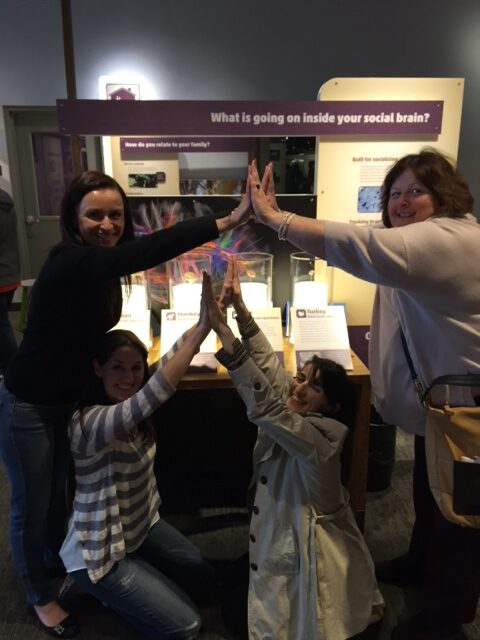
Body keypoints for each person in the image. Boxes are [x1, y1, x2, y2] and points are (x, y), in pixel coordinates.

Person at [0, 170, 250, 637]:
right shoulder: (69, 262)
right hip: (29, 403)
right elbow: (148, 250)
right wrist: (226, 220)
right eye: (94, 214)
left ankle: (63, 560)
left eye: (116, 215)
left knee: (58, 495)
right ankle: (39, 594)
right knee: (30, 505)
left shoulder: (103, 268)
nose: (107, 224)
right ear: (73, 218)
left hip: (71, 397)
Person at [248, 150, 480, 640]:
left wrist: (276, 219)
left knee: (459, 520)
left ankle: (446, 621)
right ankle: (420, 566)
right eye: (394, 193)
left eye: (416, 190)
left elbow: (359, 246)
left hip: (470, 418)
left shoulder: (449, 239)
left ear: (446, 196)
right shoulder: (415, 249)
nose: (401, 202)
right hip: (445, 411)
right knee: (428, 495)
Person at [203, 260, 384, 640]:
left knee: (254, 618)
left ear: (332, 406)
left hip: (307, 552)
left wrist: (223, 331)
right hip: (281, 534)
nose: (298, 388)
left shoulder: (320, 439)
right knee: (234, 592)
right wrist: (239, 309)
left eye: (312, 387)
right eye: (301, 378)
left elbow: (264, 407)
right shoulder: (300, 411)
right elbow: (270, 370)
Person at [60, 276, 217, 639]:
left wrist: (204, 319)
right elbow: (159, 390)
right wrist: (204, 328)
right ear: (97, 368)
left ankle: (138, 577)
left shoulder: (132, 403)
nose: (129, 378)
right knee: (187, 626)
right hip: (99, 551)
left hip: (140, 528)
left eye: (135, 368)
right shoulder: (90, 421)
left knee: (203, 578)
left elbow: (169, 362)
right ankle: (98, 590)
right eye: (117, 367)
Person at [0, 187, 20, 376]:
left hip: (2, 276)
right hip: (9, 273)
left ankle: (12, 369)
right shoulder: (6, 202)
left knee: (1, 326)